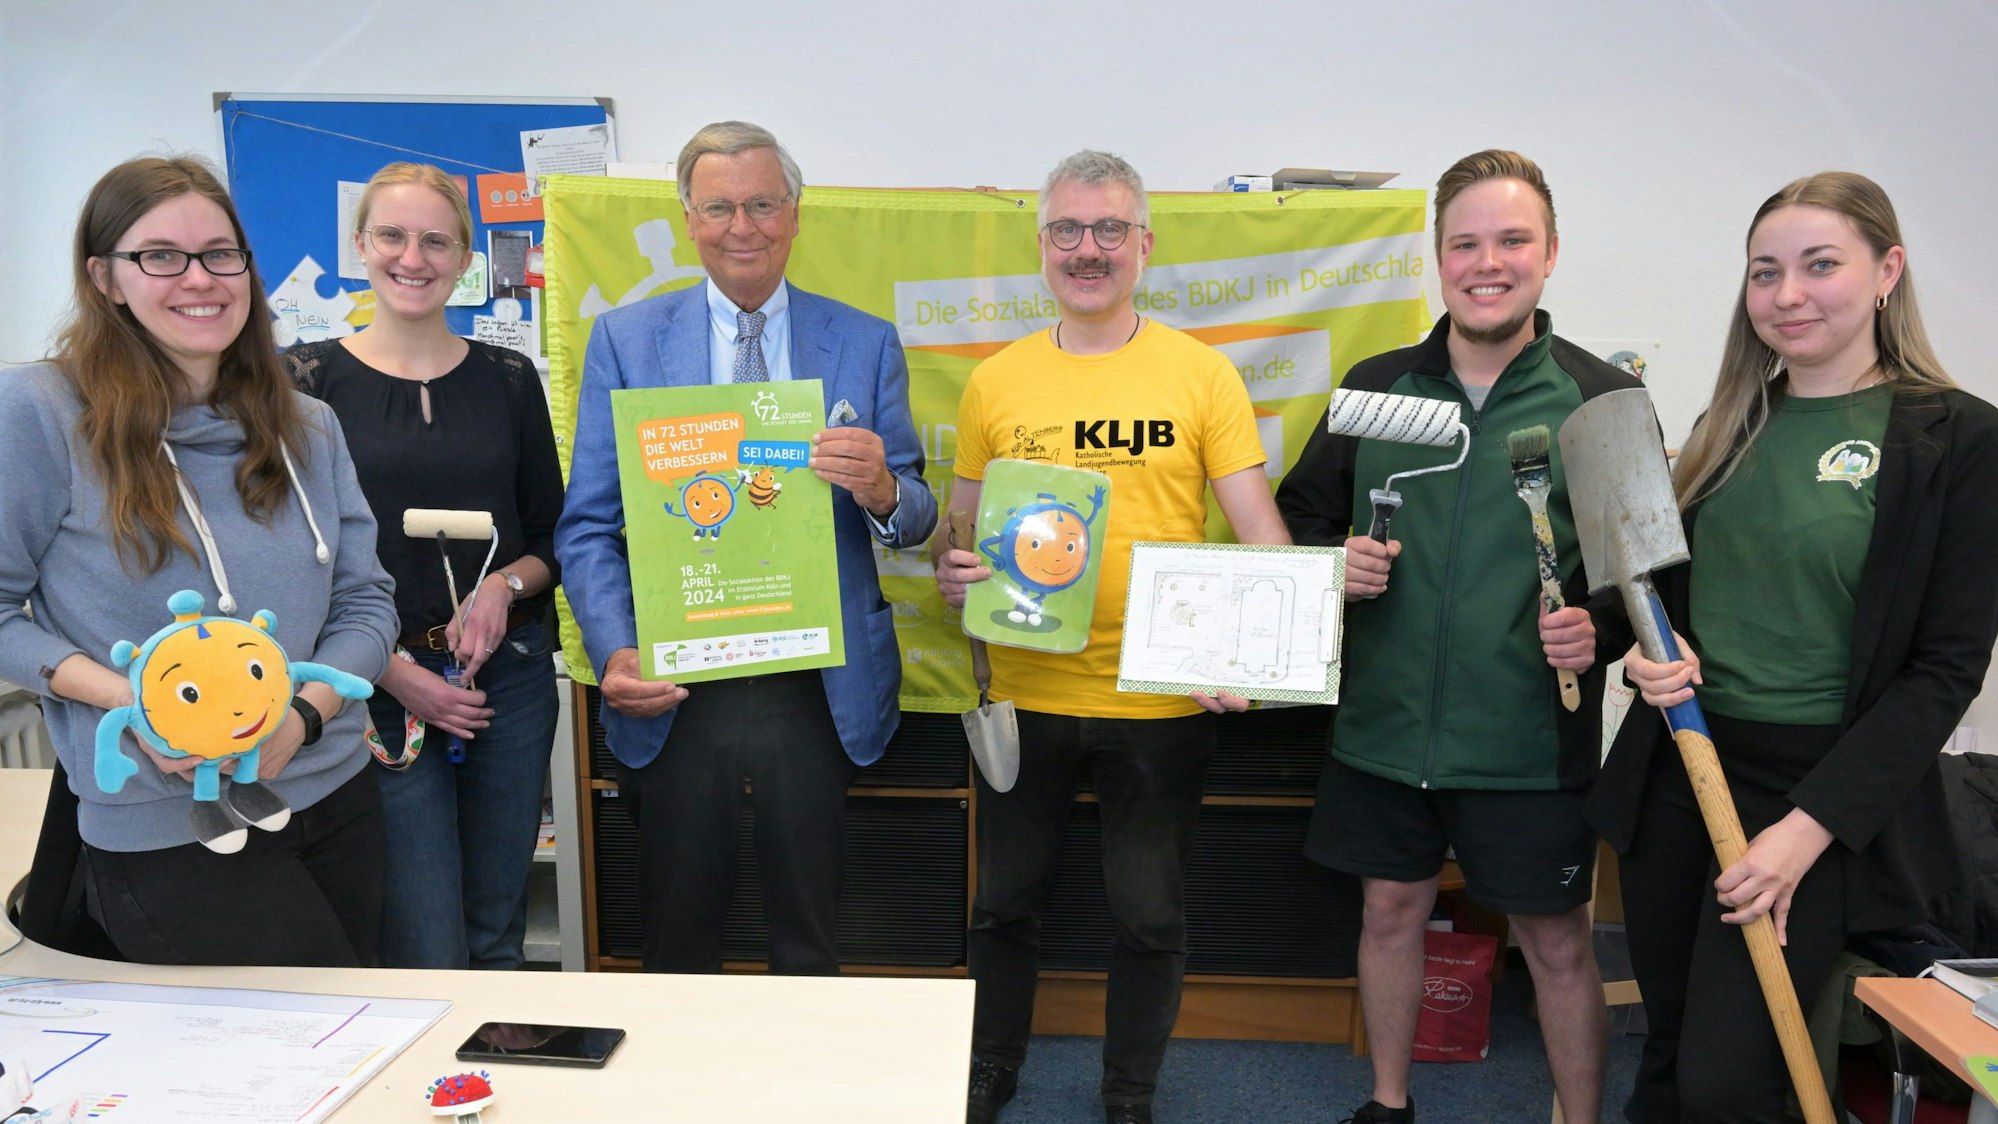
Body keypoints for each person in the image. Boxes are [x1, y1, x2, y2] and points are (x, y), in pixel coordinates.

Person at [1593, 171, 1998, 1122]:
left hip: (1815, 801)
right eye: (1764, 272)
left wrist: (1801, 836)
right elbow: (1666, 605)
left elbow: (1944, 672)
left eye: (1821, 266)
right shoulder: (1723, 426)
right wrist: (1646, 655)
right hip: (1683, 770)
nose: (1787, 294)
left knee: (1729, 1081)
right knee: (1665, 1048)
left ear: (1887, 270)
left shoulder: (1960, 439)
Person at [1275, 150, 1638, 1124]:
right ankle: (1388, 1101)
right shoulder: (1378, 385)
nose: (1489, 261)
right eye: (1465, 242)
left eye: (1512, 239)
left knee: (1558, 940)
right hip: (1384, 731)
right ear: (1438, 258)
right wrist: (1332, 562)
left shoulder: (1603, 400)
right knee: (1389, 910)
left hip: (1526, 745)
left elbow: (1652, 584)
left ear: (1550, 252)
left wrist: (1595, 629)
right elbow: (1298, 516)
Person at [934, 150, 1291, 1124]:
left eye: (1108, 231)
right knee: (1004, 906)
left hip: (1160, 704)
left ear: (1144, 245)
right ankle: (987, 1070)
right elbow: (956, 541)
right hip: (1025, 696)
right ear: (1041, 245)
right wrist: (954, 569)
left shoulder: (1202, 373)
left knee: (1149, 917)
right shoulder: (996, 383)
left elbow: (1259, 530)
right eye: (1066, 230)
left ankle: (1129, 1093)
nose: (1086, 250)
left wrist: (1254, 653)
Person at [556, 120, 936, 975]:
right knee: (679, 925)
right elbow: (588, 525)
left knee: (811, 926)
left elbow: (914, 514)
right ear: (689, 218)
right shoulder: (627, 340)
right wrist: (616, 649)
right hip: (679, 674)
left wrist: (881, 488)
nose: (743, 226)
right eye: (720, 206)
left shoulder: (865, 341)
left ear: (795, 215)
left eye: (763, 204)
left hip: (817, 676)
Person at [0, 156, 397, 966]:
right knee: (274, 1072)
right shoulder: (40, 412)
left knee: (358, 1041)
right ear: (105, 277)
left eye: (221, 253)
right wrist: (137, 707)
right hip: (166, 822)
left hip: (334, 790)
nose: (200, 278)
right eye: (160, 255)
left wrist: (305, 716)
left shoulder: (307, 424)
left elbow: (366, 602)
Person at [285, 163, 564, 970]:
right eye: (394, 236)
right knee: (424, 937)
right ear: (361, 247)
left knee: (498, 928)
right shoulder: (302, 382)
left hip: (502, 682)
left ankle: (495, 1087)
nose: (415, 257)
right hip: (374, 692)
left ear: (465, 257)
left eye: (437, 240)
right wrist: (390, 669)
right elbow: (294, 560)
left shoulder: (509, 381)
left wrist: (503, 590)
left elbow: (548, 538)